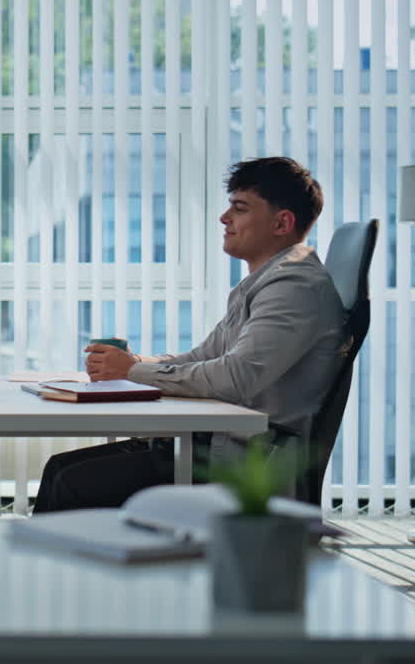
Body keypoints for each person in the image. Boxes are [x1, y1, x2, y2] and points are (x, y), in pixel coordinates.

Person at [32, 157, 348, 512]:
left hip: (240, 463)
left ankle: (60, 567)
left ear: (282, 222)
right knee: (61, 469)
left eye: (239, 208)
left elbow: (235, 376)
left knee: (70, 482)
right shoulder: (267, 281)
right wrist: (133, 362)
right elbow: (202, 358)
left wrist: (132, 372)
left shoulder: (293, 287)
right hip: (216, 444)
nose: (224, 218)